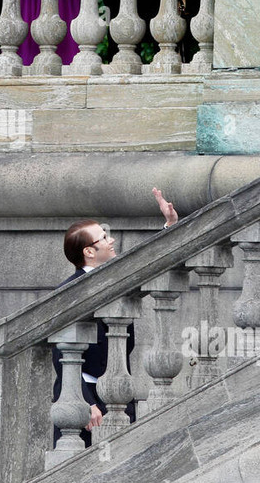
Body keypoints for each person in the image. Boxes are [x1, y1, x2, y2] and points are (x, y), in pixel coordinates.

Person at [53, 188, 178, 445]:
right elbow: (60, 354)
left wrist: (170, 225)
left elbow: (149, 261)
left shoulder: (117, 276)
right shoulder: (68, 290)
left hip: (119, 394)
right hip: (84, 399)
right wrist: (84, 402)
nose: (111, 240)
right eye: (103, 237)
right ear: (89, 251)